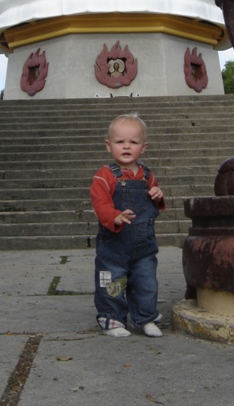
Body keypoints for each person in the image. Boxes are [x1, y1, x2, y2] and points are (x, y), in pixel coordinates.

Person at [90, 113, 165, 338]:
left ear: (143, 147)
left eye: (133, 142)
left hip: (144, 243)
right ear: (108, 145)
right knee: (111, 280)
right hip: (114, 243)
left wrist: (158, 195)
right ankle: (111, 318)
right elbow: (100, 202)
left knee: (146, 281)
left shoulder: (146, 176)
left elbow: (156, 204)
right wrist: (114, 216)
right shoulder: (104, 176)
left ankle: (146, 316)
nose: (126, 146)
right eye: (120, 142)